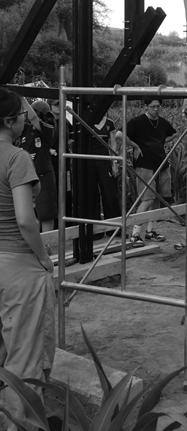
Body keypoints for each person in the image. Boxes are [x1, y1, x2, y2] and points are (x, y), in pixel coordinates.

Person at [0, 88, 55, 427]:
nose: (26, 120)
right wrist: (44, 257)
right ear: (10, 121)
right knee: (24, 361)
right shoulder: (16, 158)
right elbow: (25, 220)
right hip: (18, 265)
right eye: (23, 115)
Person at [125, 98, 176, 247]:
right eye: (153, 106)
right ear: (146, 107)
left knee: (157, 198)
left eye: (158, 106)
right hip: (144, 164)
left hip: (161, 163)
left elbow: (174, 134)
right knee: (147, 199)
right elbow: (120, 135)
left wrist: (160, 143)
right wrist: (136, 146)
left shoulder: (162, 122)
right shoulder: (137, 122)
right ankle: (135, 234)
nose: (156, 109)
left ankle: (150, 231)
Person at [17, 99, 58, 234]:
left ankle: (47, 243)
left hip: (43, 176)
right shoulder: (24, 129)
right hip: (26, 178)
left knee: (45, 215)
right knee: (27, 215)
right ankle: (33, 242)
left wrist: (22, 99)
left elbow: (34, 118)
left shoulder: (47, 128)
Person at [89, 113, 121, 222]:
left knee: (109, 192)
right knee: (92, 194)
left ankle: (113, 224)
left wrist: (114, 162)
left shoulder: (109, 123)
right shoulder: (88, 121)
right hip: (90, 161)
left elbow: (113, 144)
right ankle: (94, 225)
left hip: (105, 161)